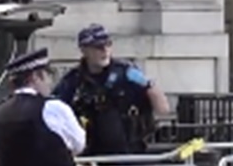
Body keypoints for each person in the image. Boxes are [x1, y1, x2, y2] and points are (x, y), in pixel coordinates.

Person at [52, 24, 169, 158]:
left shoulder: (125, 73)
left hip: (131, 154)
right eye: (98, 47)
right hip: (93, 156)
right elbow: (55, 110)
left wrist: (149, 85)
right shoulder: (74, 80)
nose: (105, 51)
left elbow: (163, 109)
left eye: (108, 45)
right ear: (84, 50)